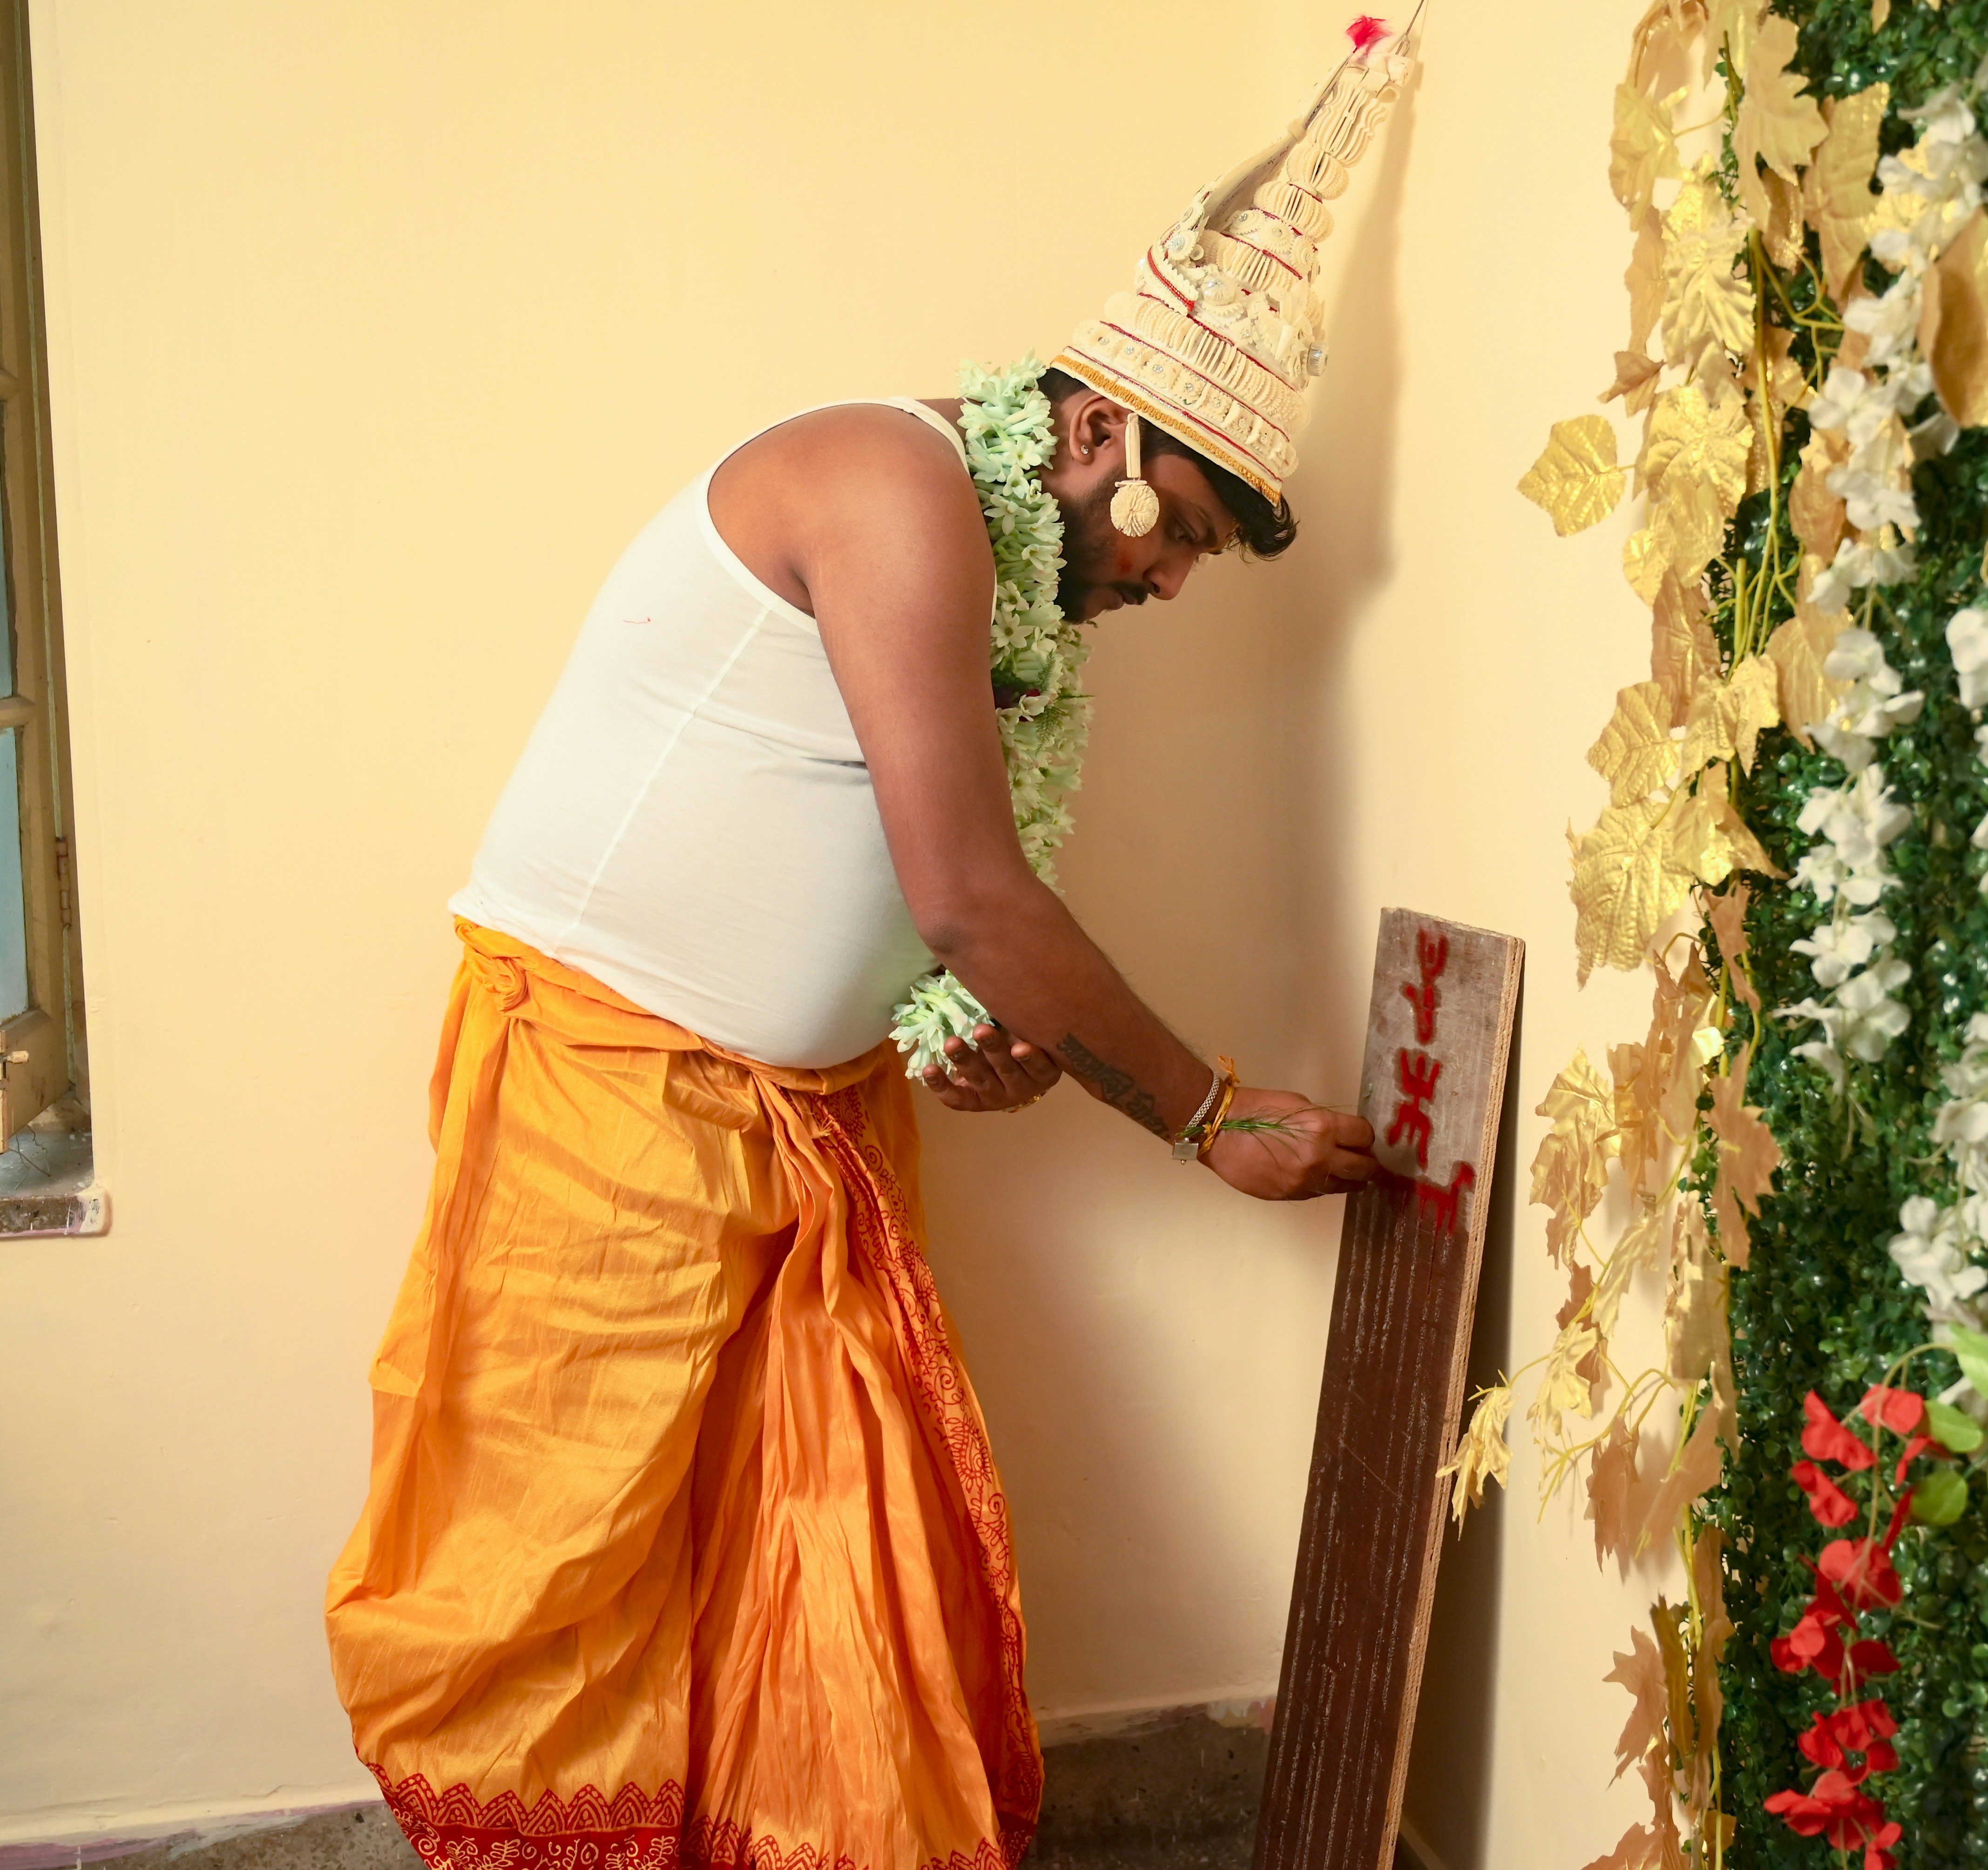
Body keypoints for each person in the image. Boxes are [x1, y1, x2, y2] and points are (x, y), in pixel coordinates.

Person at [325, 16, 1420, 1868]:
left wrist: (958, 1031)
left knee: (817, 1564)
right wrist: (1205, 1108)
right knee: (561, 1563)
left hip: (814, 1121)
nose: (1168, 581)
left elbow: (933, 911)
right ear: (1097, 432)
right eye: (1181, 532)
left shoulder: (1009, 583)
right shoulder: (896, 486)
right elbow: (973, 895)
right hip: (612, 1090)